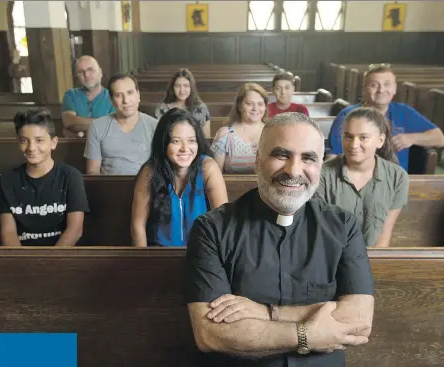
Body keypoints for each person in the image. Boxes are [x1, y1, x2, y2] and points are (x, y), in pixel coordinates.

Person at [185, 112, 375, 366]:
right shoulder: (211, 229)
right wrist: (309, 333)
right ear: (257, 160)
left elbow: (359, 321)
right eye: (281, 155)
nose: (293, 170)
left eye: (308, 158)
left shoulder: (343, 226)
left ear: (320, 165)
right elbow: (212, 334)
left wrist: (268, 313)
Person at [131, 108, 228, 247]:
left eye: (191, 141)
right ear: (164, 143)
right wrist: (144, 265)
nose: (185, 148)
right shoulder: (150, 171)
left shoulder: (208, 167)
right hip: (159, 254)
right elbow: (137, 226)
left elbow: (222, 222)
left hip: (202, 254)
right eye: (176, 141)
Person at [316, 107, 409, 248]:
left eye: (363, 137)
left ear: (380, 140)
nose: (353, 145)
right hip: (332, 258)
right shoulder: (322, 174)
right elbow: (322, 232)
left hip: (373, 259)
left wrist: (370, 267)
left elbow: (384, 236)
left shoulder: (398, 177)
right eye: (348, 136)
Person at [0, 108, 89, 247]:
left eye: (39, 140)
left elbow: (74, 230)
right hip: (22, 260)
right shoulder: (8, 180)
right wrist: (23, 264)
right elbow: (8, 231)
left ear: (53, 142)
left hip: (61, 257)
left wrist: (50, 263)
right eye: (24, 140)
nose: (31, 148)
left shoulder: (70, 176)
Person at [327, 64, 444, 171]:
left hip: (396, 183)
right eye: (374, 85)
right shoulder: (347, 115)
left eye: (387, 84)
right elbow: (332, 159)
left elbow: (440, 138)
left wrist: (411, 138)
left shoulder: (404, 112)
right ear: (364, 88)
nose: (381, 90)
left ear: (394, 88)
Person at [84, 73, 158, 175]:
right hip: (108, 187)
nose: (126, 100)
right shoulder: (97, 126)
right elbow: (93, 172)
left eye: (130, 93)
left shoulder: (155, 126)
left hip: (145, 187)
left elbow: (160, 169)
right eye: (118, 95)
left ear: (138, 95)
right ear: (112, 100)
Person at [211, 83, 268, 173]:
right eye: (249, 104)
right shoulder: (225, 134)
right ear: (239, 106)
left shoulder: (273, 132)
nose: (255, 108)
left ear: (265, 107)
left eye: (260, 104)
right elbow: (214, 176)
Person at [62, 55, 116, 138]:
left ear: (100, 72)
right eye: (80, 71)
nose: (86, 74)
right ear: (77, 76)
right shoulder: (71, 95)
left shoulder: (113, 96)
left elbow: (114, 127)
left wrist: (80, 129)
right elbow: (69, 121)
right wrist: (104, 124)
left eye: (90, 70)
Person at [155, 69, 211, 137]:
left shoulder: (201, 108)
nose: (182, 90)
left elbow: (206, 138)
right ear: (172, 88)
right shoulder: (163, 108)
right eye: (178, 86)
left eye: (186, 86)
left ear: (191, 87)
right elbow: (159, 135)